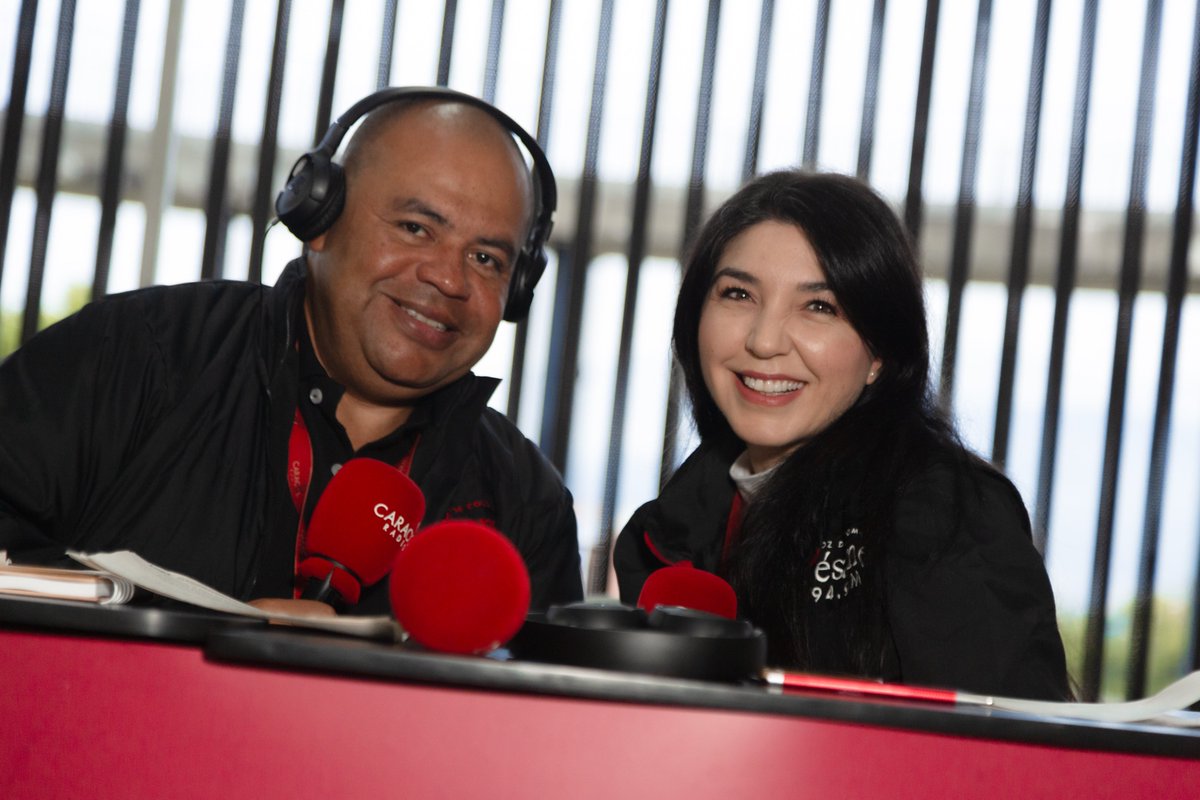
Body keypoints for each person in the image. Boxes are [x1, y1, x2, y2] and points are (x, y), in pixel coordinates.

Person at [0, 87, 583, 615]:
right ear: (318, 216)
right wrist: (208, 637)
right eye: (415, 228)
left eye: (486, 259)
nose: (449, 279)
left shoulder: (526, 504)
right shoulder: (138, 355)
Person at [614, 170, 1070, 700]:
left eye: (819, 307)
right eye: (738, 294)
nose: (764, 341)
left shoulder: (943, 514)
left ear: (879, 353)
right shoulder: (668, 532)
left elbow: (1005, 759)